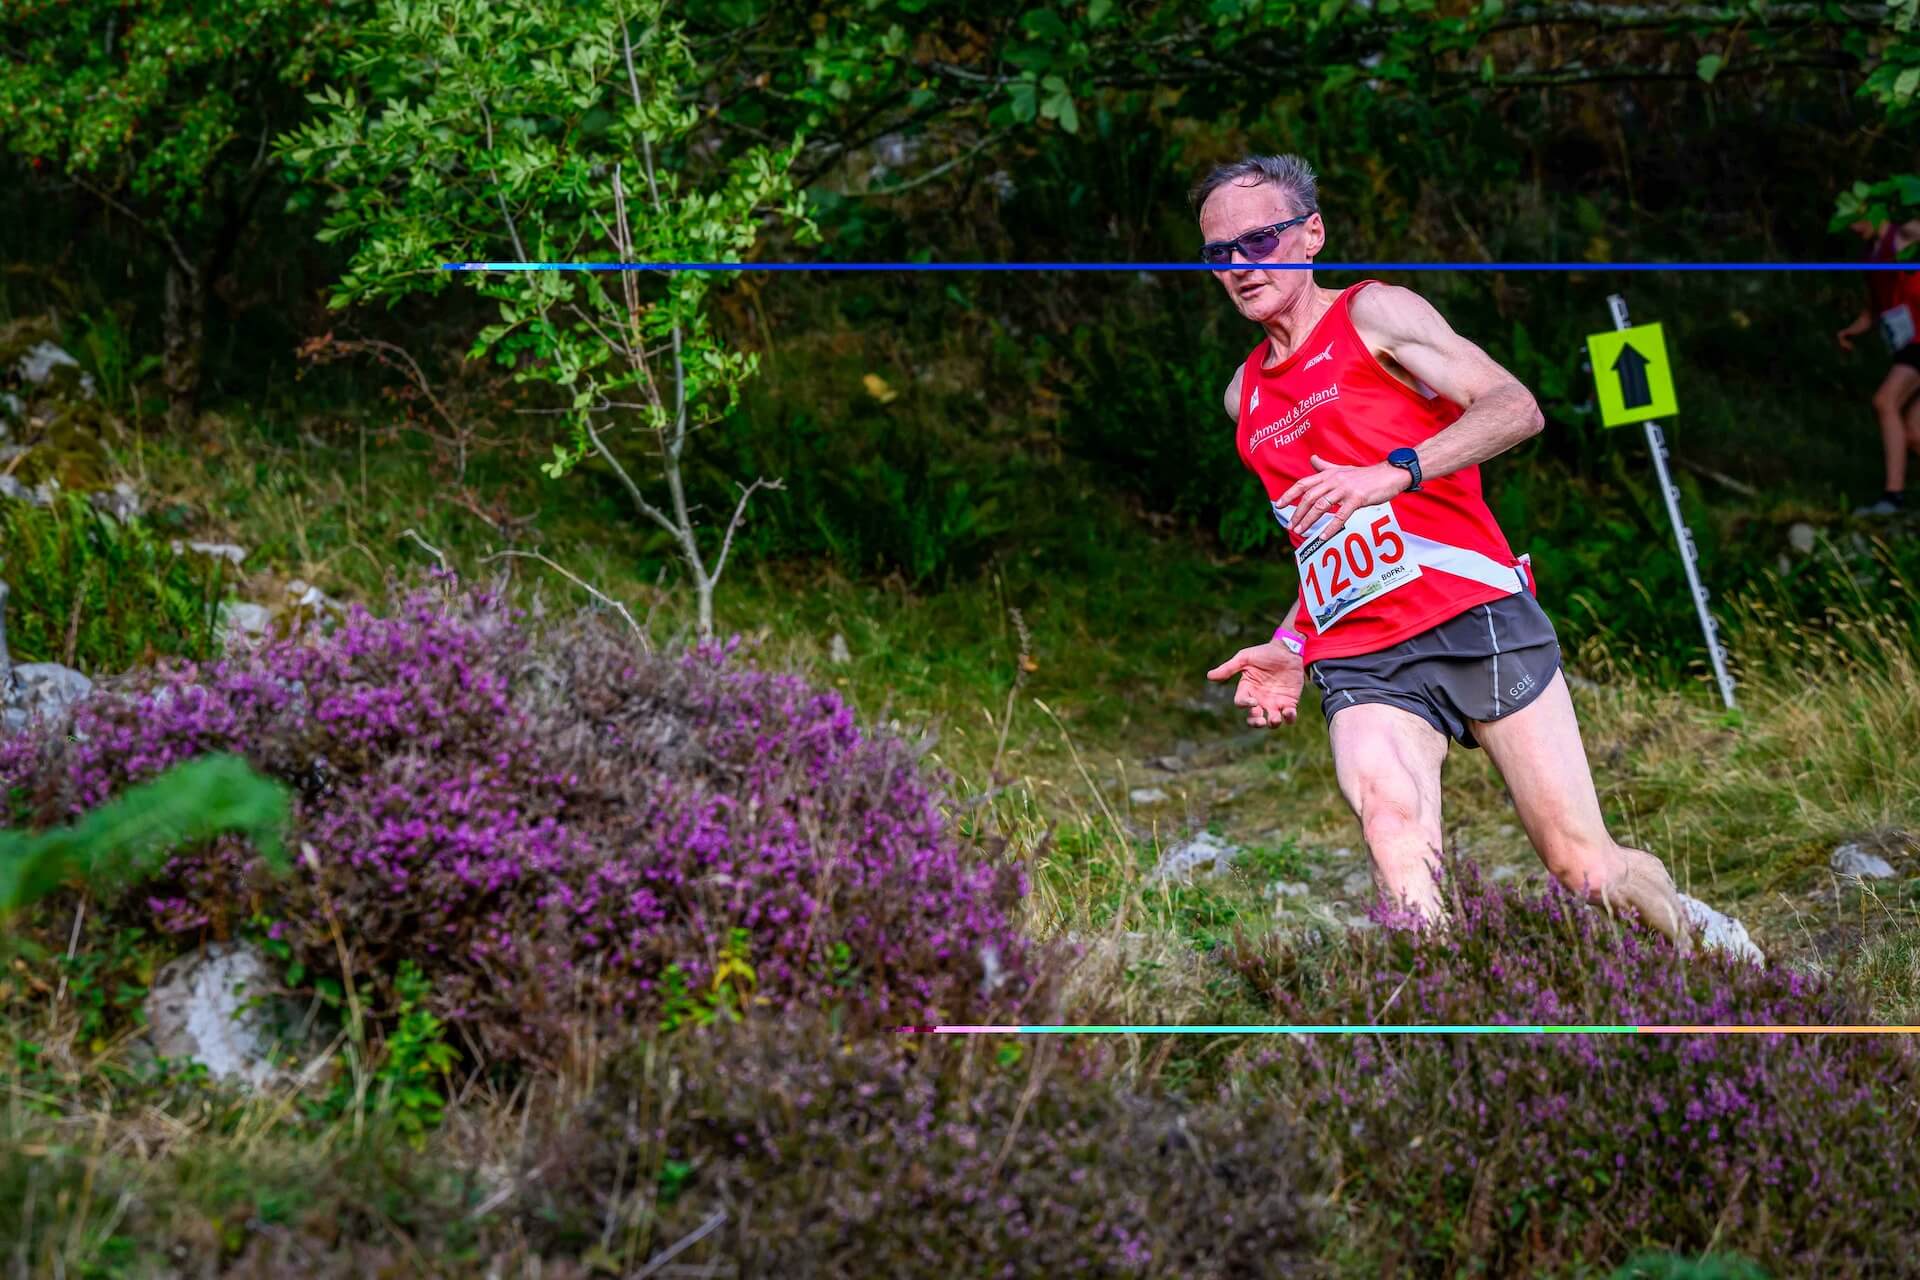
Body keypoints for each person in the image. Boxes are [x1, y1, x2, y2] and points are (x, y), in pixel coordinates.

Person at [1196, 153, 1747, 960]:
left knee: (1584, 869)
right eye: (1220, 253)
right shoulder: (1244, 399)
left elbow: (1515, 408)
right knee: (1390, 820)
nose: (1242, 266)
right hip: (1362, 655)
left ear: (1311, 235)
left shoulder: (1375, 314)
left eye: (1261, 240)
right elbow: (1325, 543)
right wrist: (1290, 642)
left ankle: (1701, 942)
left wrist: (1393, 472)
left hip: (1473, 612)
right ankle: (1450, 1007)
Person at [1838, 214, 1920, 517]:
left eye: (1857, 219)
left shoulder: (1902, 237)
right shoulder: (1869, 256)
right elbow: (1874, 309)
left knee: (1886, 401)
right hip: (1907, 344)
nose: (1853, 228)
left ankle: (1892, 497)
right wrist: (1850, 331)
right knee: (1914, 432)